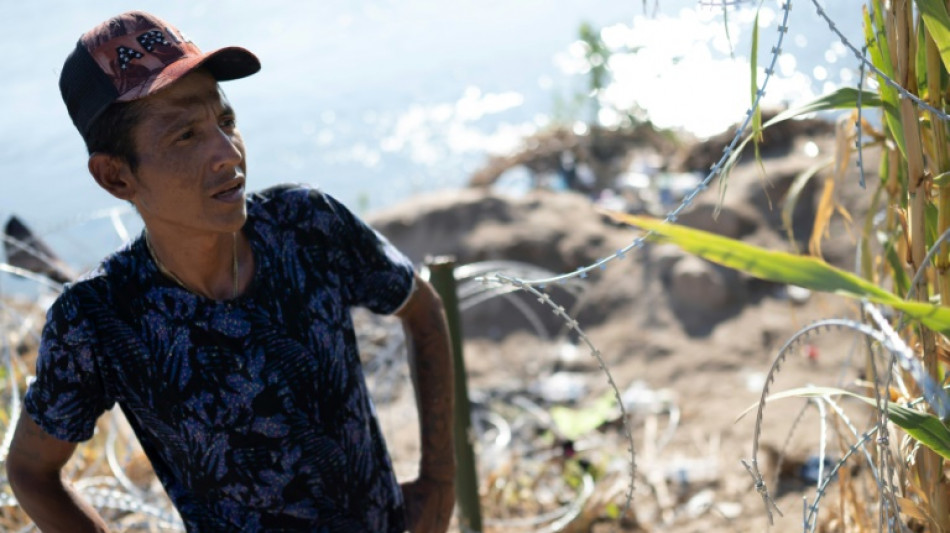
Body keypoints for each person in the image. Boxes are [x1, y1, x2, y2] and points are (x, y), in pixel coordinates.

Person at [5, 11, 455, 533]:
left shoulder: (306, 225)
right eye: (186, 136)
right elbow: (31, 470)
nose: (227, 153)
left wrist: (439, 483)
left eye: (227, 121)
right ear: (116, 176)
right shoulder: (99, 319)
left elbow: (422, 308)